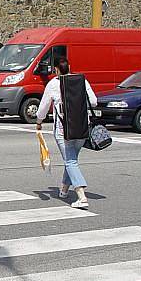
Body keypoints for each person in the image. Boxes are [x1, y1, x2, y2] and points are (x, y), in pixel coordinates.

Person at [36, 57, 97, 209]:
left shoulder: (53, 84)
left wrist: (39, 122)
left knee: (70, 161)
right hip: (82, 128)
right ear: (69, 66)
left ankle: (81, 196)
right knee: (71, 160)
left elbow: (43, 108)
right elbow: (94, 101)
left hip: (63, 131)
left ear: (56, 69)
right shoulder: (82, 80)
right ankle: (64, 189)